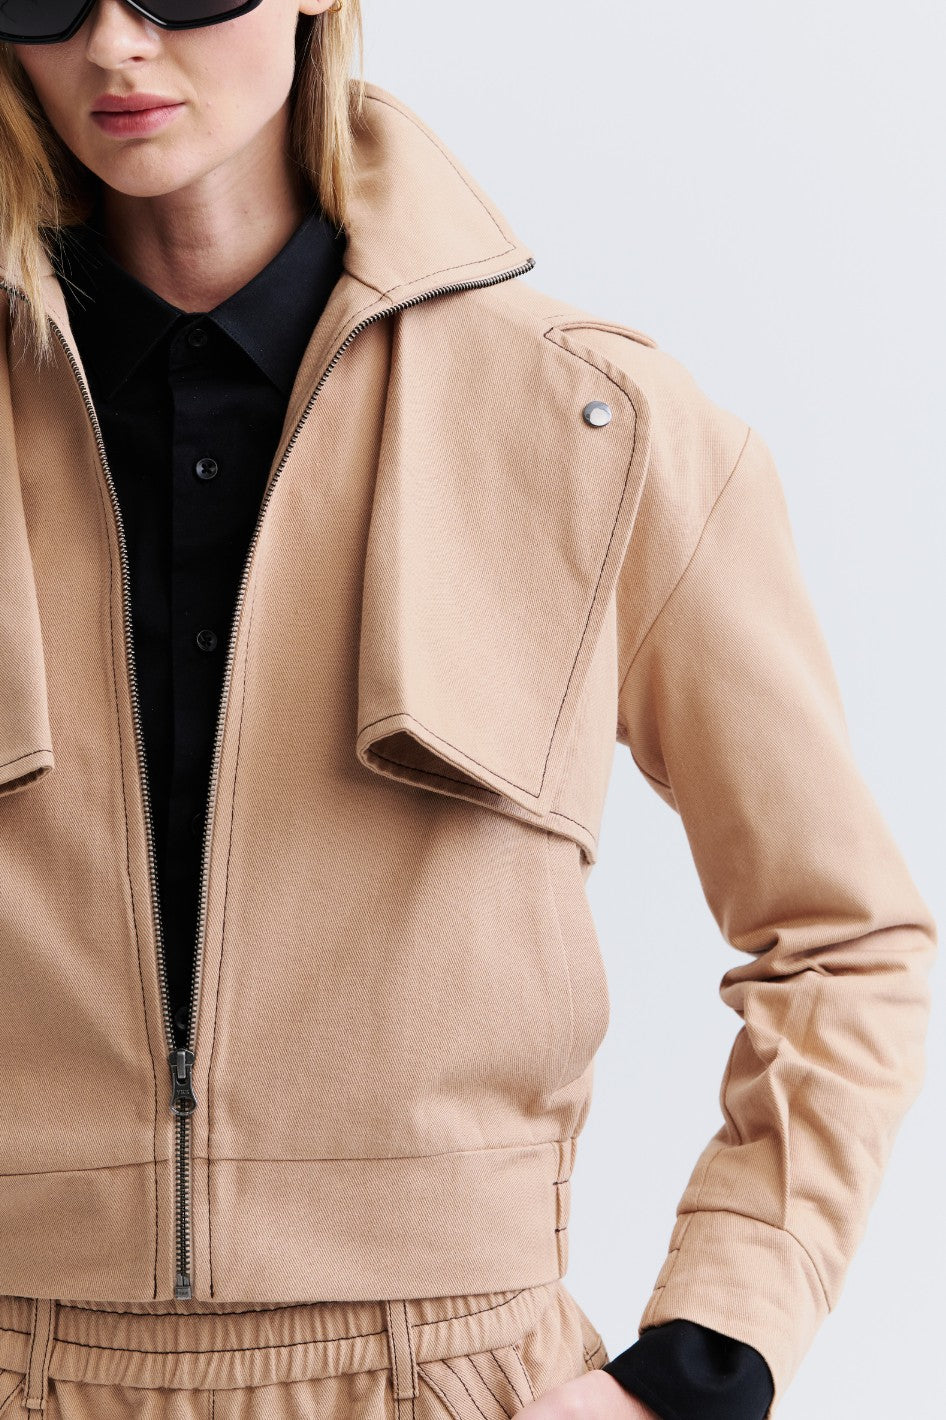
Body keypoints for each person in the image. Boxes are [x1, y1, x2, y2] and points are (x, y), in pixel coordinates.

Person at [0, 2, 935, 1418]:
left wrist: (700, 1365)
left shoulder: (600, 424)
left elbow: (844, 939)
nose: (114, 44)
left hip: (449, 1375)